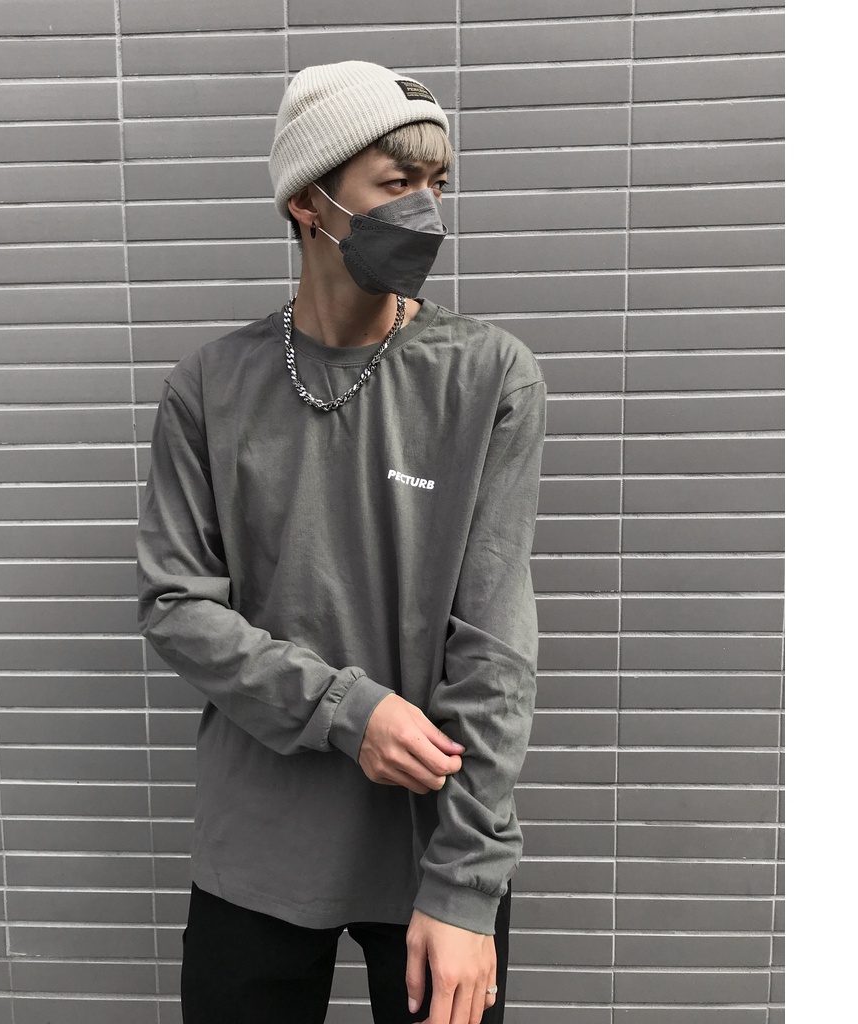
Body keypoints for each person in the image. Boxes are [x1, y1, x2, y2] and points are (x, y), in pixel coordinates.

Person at [136, 61, 546, 1024]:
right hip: (258, 850)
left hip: (432, 847)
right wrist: (347, 711)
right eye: (395, 183)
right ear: (306, 202)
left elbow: (496, 647)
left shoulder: (489, 377)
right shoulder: (211, 388)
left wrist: (467, 880)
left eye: (437, 184)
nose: (425, 211)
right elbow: (177, 605)